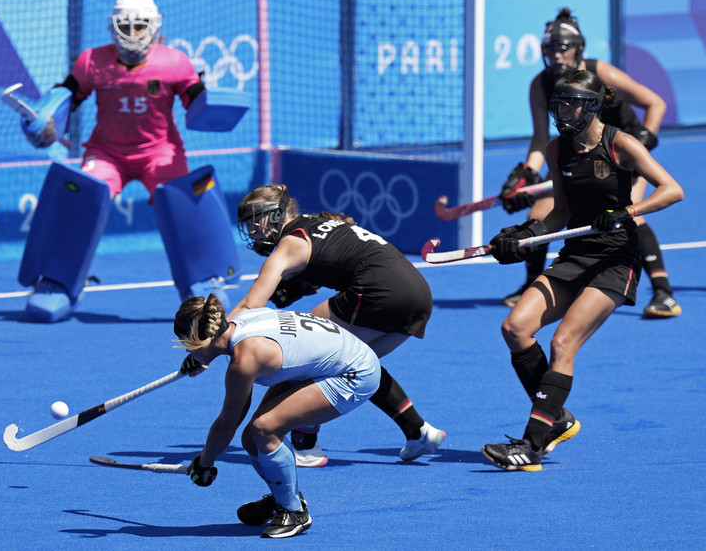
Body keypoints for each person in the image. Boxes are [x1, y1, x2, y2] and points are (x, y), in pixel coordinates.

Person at [482, 71, 683, 471]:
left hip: (615, 261)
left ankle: (532, 447)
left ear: (591, 106)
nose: (562, 111)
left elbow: (671, 189)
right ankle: (556, 417)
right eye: (558, 104)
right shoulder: (559, 150)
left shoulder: (620, 144)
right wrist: (524, 236)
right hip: (575, 255)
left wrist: (627, 212)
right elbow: (560, 212)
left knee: (562, 344)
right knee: (515, 329)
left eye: (571, 103)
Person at [16, 0, 237, 320]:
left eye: (139, 25)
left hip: (160, 151)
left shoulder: (175, 62)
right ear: (112, 26)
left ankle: (204, 282)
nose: (132, 33)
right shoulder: (92, 61)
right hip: (107, 153)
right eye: (125, 25)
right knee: (80, 196)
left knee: (183, 199)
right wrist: (46, 121)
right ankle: (56, 283)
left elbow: (197, 104)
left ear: (155, 25)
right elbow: (67, 97)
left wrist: (214, 105)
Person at [230, 184, 445, 467]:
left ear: (278, 215)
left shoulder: (289, 244)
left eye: (256, 221)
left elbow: (249, 307)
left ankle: (306, 446)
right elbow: (335, 260)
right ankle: (418, 431)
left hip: (378, 290)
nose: (252, 230)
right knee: (358, 360)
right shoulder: (321, 224)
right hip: (418, 295)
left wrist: (212, 340)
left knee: (308, 348)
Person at [499, 7, 680, 319]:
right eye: (550, 48)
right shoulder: (540, 86)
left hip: (619, 151)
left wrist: (644, 141)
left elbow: (655, 103)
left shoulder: (600, 73)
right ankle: (532, 285)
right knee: (539, 210)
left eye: (563, 47)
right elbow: (541, 139)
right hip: (577, 150)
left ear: (578, 48)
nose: (556, 55)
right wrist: (527, 173)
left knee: (628, 212)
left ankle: (663, 293)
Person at [176, 294, 381, 538]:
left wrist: (204, 462)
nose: (187, 349)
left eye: (186, 344)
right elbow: (237, 413)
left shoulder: (245, 360)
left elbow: (226, 425)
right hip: (333, 360)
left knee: (264, 428)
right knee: (251, 439)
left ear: (200, 340)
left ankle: (294, 512)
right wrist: (202, 355)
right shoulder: (241, 321)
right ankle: (281, 497)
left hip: (354, 372)